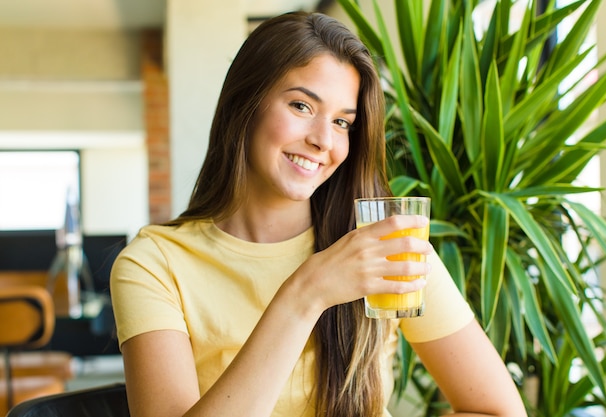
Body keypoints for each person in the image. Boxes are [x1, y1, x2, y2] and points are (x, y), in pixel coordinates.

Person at [110, 11, 526, 417]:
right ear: (245, 103)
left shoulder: (386, 252)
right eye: (301, 106)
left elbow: (499, 410)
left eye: (343, 122)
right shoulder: (153, 264)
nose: (324, 141)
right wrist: (305, 295)